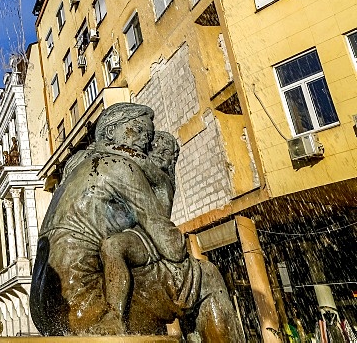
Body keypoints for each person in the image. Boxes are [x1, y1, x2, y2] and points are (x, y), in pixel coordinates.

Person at [30, 103, 242, 342]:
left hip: (47, 307)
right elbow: (172, 248)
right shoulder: (120, 166)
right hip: (86, 304)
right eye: (138, 130)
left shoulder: (78, 168)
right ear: (111, 132)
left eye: (149, 136)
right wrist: (162, 182)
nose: (145, 141)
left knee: (148, 277)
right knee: (207, 276)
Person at [97, 131, 180, 334]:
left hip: (152, 240)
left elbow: (138, 160)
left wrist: (104, 147)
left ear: (172, 159)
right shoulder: (141, 179)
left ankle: (114, 316)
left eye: (166, 152)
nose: (160, 154)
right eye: (155, 149)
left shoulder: (161, 179)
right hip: (140, 234)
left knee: (113, 246)